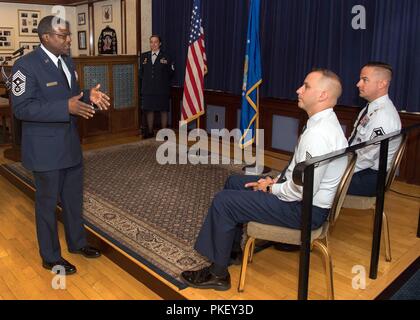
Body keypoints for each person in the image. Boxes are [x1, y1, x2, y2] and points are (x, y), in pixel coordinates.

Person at [180, 69, 348, 290]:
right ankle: (231, 252)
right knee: (234, 182)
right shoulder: (323, 124)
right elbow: (299, 172)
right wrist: (275, 180)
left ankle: (217, 274)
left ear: (323, 95)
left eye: (306, 86)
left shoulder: (319, 135)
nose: (299, 89)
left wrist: (271, 188)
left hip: (304, 210)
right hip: (304, 200)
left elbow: (301, 190)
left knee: (224, 201)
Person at [11, 16, 111, 275]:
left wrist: (88, 93)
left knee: (73, 200)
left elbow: (70, 95)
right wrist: (64, 107)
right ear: (46, 37)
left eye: (68, 35)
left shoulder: (67, 61)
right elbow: (21, 108)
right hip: (45, 151)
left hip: (69, 145)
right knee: (46, 206)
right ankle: (51, 257)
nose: (69, 40)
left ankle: (77, 243)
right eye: (63, 35)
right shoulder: (25, 66)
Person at [347, 62, 402, 196]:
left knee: (315, 179)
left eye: (364, 80)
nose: (358, 84)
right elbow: (355, 142)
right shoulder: (371, 108)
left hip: (371, 177)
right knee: (315, 171)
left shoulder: (383, 116)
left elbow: (367, 157)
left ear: (382, 84)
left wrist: (340, 169)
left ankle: (315, 215)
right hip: (360, 166)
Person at [139, 35, 175, 138]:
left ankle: (163, 134)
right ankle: (150, 132)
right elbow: (141, 73)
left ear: (160, 43)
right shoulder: (144, 56)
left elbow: (171, 72)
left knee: (163, 110)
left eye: (155, 42)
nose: (153, 44)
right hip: (148, 89)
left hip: (162, 89)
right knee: (149, 110)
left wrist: (161, 80)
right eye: (151, 42)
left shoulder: (166, 56)